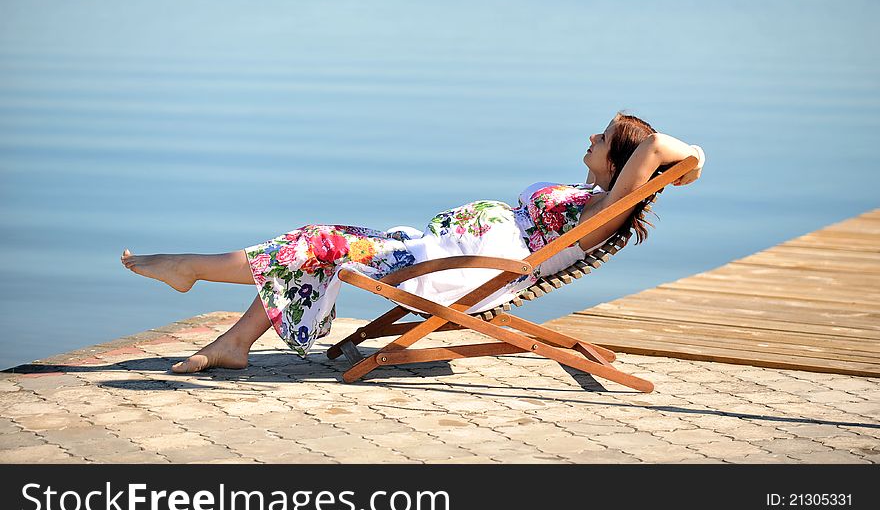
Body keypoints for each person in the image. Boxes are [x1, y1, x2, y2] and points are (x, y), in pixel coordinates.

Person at [121, 112, 705, 374]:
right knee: (314, 238)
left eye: (601, 138)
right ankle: (234, 342)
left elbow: (656, 147)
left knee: (319, 248)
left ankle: (187, 266)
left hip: (465, 271)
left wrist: (693, 159)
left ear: (619, 161)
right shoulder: (589, 195)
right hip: (434, 249)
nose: (590, 138)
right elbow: (649, 152)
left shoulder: (603, 211)